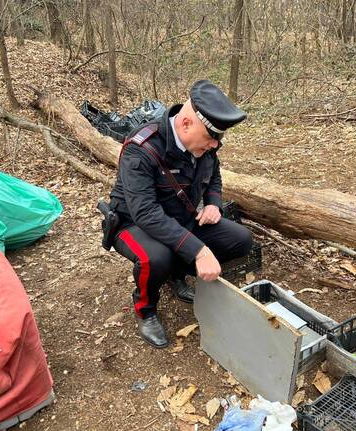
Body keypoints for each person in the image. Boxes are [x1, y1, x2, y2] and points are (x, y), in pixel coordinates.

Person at [108, 80, 253, 348]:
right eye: (210, 140)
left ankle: (175, 276)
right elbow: (146, 213)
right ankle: (146, 308)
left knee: (241, 239)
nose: (213, 146)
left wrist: (212, 203)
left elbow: (214, 174)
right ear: (186, 124)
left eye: (215, 141)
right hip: (132, 223)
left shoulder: (205, 144)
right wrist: (199, 251)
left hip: (179, 217)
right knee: (157, 257)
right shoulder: (142, 148)